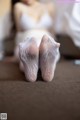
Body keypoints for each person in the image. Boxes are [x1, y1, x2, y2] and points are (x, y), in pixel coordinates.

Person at [11, 0, 60, 82]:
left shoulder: (50, 6)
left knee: (46, 47)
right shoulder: (18, 6)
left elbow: (52, 30)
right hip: (27, 38)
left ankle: (31, 66)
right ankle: (43, 64)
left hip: (46, 38)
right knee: (31, 48)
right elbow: (19, 32)